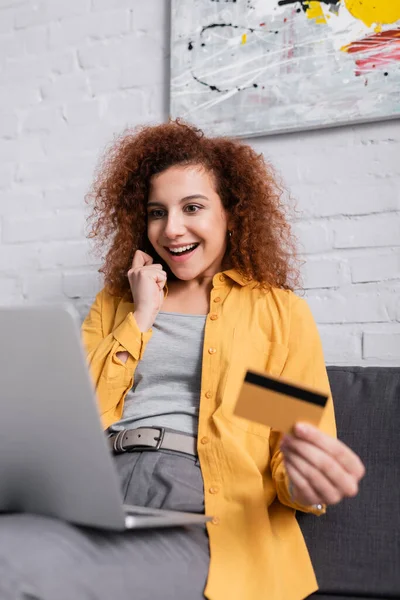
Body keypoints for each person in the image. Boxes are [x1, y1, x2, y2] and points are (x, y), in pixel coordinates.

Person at [0, 120, 365, 600]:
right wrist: (141, 318)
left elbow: (290, 444)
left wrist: (307, 481)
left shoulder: (274, 314)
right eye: (157, 212)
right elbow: (72, 416)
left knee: (16, 565)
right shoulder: (117, 302)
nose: (171, 230)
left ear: (231, 213)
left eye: (192, 207)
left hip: (194, 499)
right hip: (95, 484)